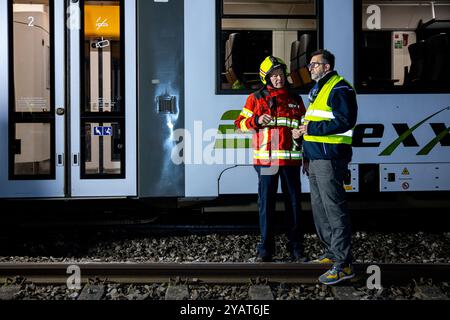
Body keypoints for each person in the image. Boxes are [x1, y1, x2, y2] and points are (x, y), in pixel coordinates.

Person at [235, 56, 307, 262]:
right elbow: (239, 124)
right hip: (266, 162)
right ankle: (265, 249)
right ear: (266, 77)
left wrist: (301, 134)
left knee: (294, 204)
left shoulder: (296, 98)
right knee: (266, 204)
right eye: (273, 75)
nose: (278, 78)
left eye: (281, 73)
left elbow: (304, 126)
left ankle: (296, 249)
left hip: (291, 161)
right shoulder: (255, 98)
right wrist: (256, 120)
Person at [296, 49, 358, 284]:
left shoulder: (340, 88)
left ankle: (344, 264)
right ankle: (332, 254)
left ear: (327, 67)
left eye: (314, 64)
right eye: (310, 64)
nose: (310, 68)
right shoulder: (319, 90)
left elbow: (344, 121)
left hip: (330, 159)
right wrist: (301, 134)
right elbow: (315, 123)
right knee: (320, 209)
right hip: (314, 158)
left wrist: (310, 130)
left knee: (334, 210)